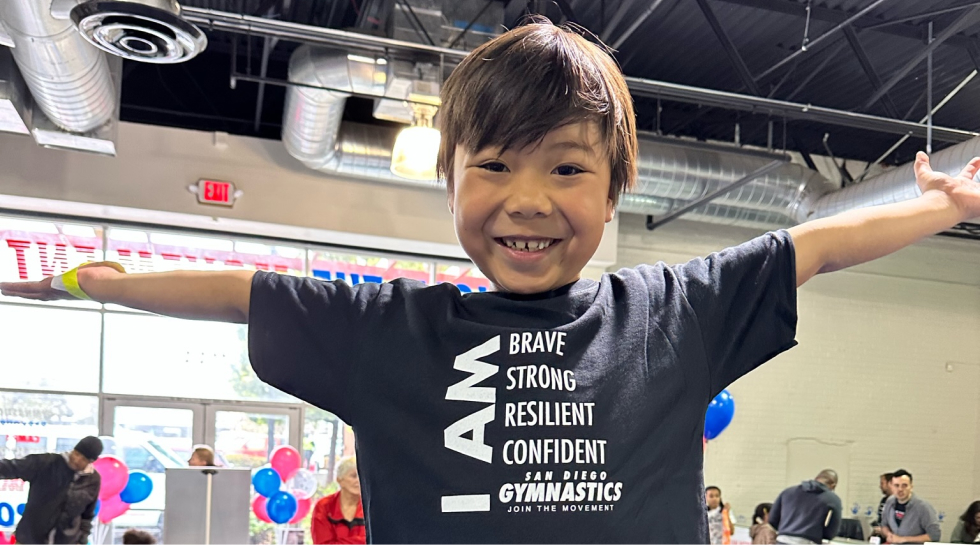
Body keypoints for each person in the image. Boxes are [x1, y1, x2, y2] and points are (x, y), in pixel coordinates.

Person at [3, 19, 980, 544]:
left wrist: (939, 206)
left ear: (612, 190)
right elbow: (240, 286)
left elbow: (814, 247)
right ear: (449, 175)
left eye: (564, 168)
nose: (526, 200)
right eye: (493, 166)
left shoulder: (675, 312)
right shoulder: (386, 327)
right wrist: (97, 279)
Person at [0, 436, 102, 544]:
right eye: (76, 454)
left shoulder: (93, 480)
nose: (77, 460)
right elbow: (12, 467)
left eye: (83, 459)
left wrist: (81, 541)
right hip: (29, 538)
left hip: (66, 541)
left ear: (91, 462)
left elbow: (87, 515)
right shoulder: (46, 463)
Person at [768, 469, 842, 544]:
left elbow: (772, 519)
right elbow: (833, 529)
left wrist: (785, 530)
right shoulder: (833, 499)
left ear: (816, 479)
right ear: (833, 486)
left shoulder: (788, 492)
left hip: (782, 540)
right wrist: (819, 534)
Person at [311, 458, 364, 544]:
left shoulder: (371, 507)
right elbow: (322, 542)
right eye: (354, 476)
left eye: (361, 476)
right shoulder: (324, 506)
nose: (359, 480)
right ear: (339, 480)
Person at [880, 470, 941, 544]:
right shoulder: (889, 502)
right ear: (891, 487)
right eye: (896, 485)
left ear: (911, 487)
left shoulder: (923, 507)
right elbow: (884, 525)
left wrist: (904, 539)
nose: (900, 489)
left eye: (904, 485)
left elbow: (934, 535)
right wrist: (888, 534)